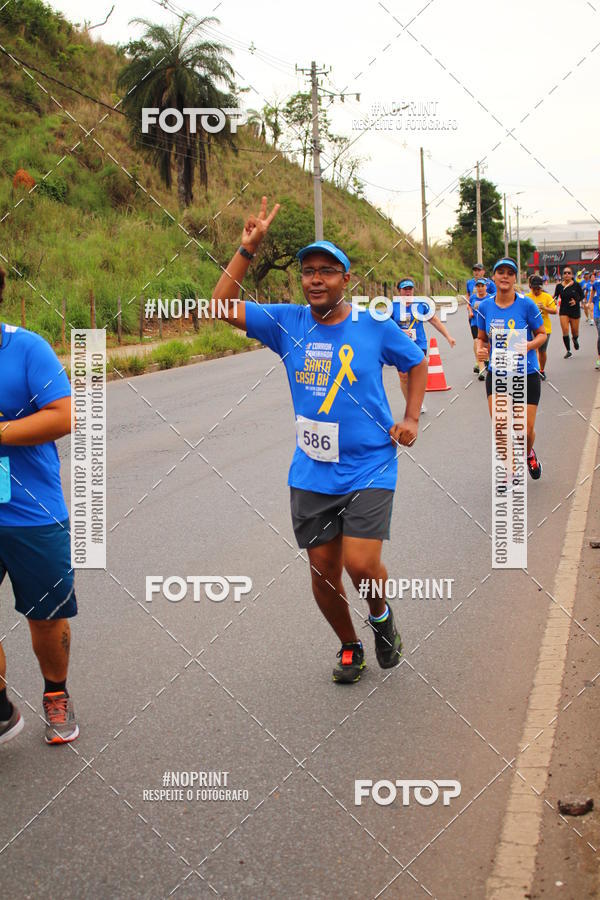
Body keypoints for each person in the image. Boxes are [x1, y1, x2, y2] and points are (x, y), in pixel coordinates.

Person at [213, 198, 428, 684]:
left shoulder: (373, 324)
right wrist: (246, 250)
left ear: (345, 279)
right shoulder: (288, 321)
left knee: (360, 562)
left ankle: (380, 616)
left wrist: (412, 416)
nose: (315, 279)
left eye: (327, 271)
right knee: (324, 572)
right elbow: (221, 306)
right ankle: (350, 645)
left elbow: (414, 362)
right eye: (308, 271)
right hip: (312, 469)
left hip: (371, 463)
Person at [0, 267, 79, 745]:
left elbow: (64, 415)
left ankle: (56, 694)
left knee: (46, 615)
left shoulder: (26, 349)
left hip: (31, 512)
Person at [476, 257, 546, 479]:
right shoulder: (485, 306)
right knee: (501, 427)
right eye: (500, 272)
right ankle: (508, 472)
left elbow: (542, 334)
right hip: (497, 374)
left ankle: (527, 454)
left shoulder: (526, 304)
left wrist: (528, 345)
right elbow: (481, 338)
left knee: (523, 431)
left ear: (515, 278)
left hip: (526, 373)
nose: (505, 276)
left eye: (510, 273)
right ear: (493, 278)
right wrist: (480, 350)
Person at [392, 277, 456, 410]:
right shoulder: (393, 306)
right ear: (399, 291)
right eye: (405, 289)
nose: (408, 292)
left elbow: (435, 320)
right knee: (404, 377)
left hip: (418, 345)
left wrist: (448, 336)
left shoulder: (421, 304)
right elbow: (386, 327)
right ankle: (412, 404)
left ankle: (417, 400)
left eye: (410, 289)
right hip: (400, 346)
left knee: (416, 374)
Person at [527, 275, 557, 380]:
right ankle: (534, 370)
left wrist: (544, 308)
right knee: (532, 349)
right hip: (530, 328)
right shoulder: (527, 297)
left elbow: (554, 311)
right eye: (534, 288)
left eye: (538, 288)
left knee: (542, 351)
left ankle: (542, 370)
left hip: (545, 328)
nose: (536, 291)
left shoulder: (547, 297)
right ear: (530, 287)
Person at [554, 267, 584, 358]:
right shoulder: (559, 286)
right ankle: (568, 350)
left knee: (575, 332)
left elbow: (582, 296)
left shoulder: (576, 285)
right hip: (564, 311)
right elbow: (555, 297)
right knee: (565, 330)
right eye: (565, 273)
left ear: (572, 275)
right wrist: (554, 301)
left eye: (569, 273)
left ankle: (575, 339)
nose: (566, 274)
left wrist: (576, 301)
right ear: (563, 275)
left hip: (575, 311)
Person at [467, 278, 491, 379]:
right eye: (478, 286)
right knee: (478, 343)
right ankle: (481, 369)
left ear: (486, 287)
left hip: (486, 324)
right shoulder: (473, 297)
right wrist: (470, 312)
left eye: (482, 286)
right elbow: (469, 305)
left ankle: (488, 362)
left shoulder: (490, 298)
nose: (480, 288)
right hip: (475, 324)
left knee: (488, 345)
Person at [592, 272, 600, 370]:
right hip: (598, 314)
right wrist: (589, 302)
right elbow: (592, 292)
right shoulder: (597, 283)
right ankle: (599, 358)